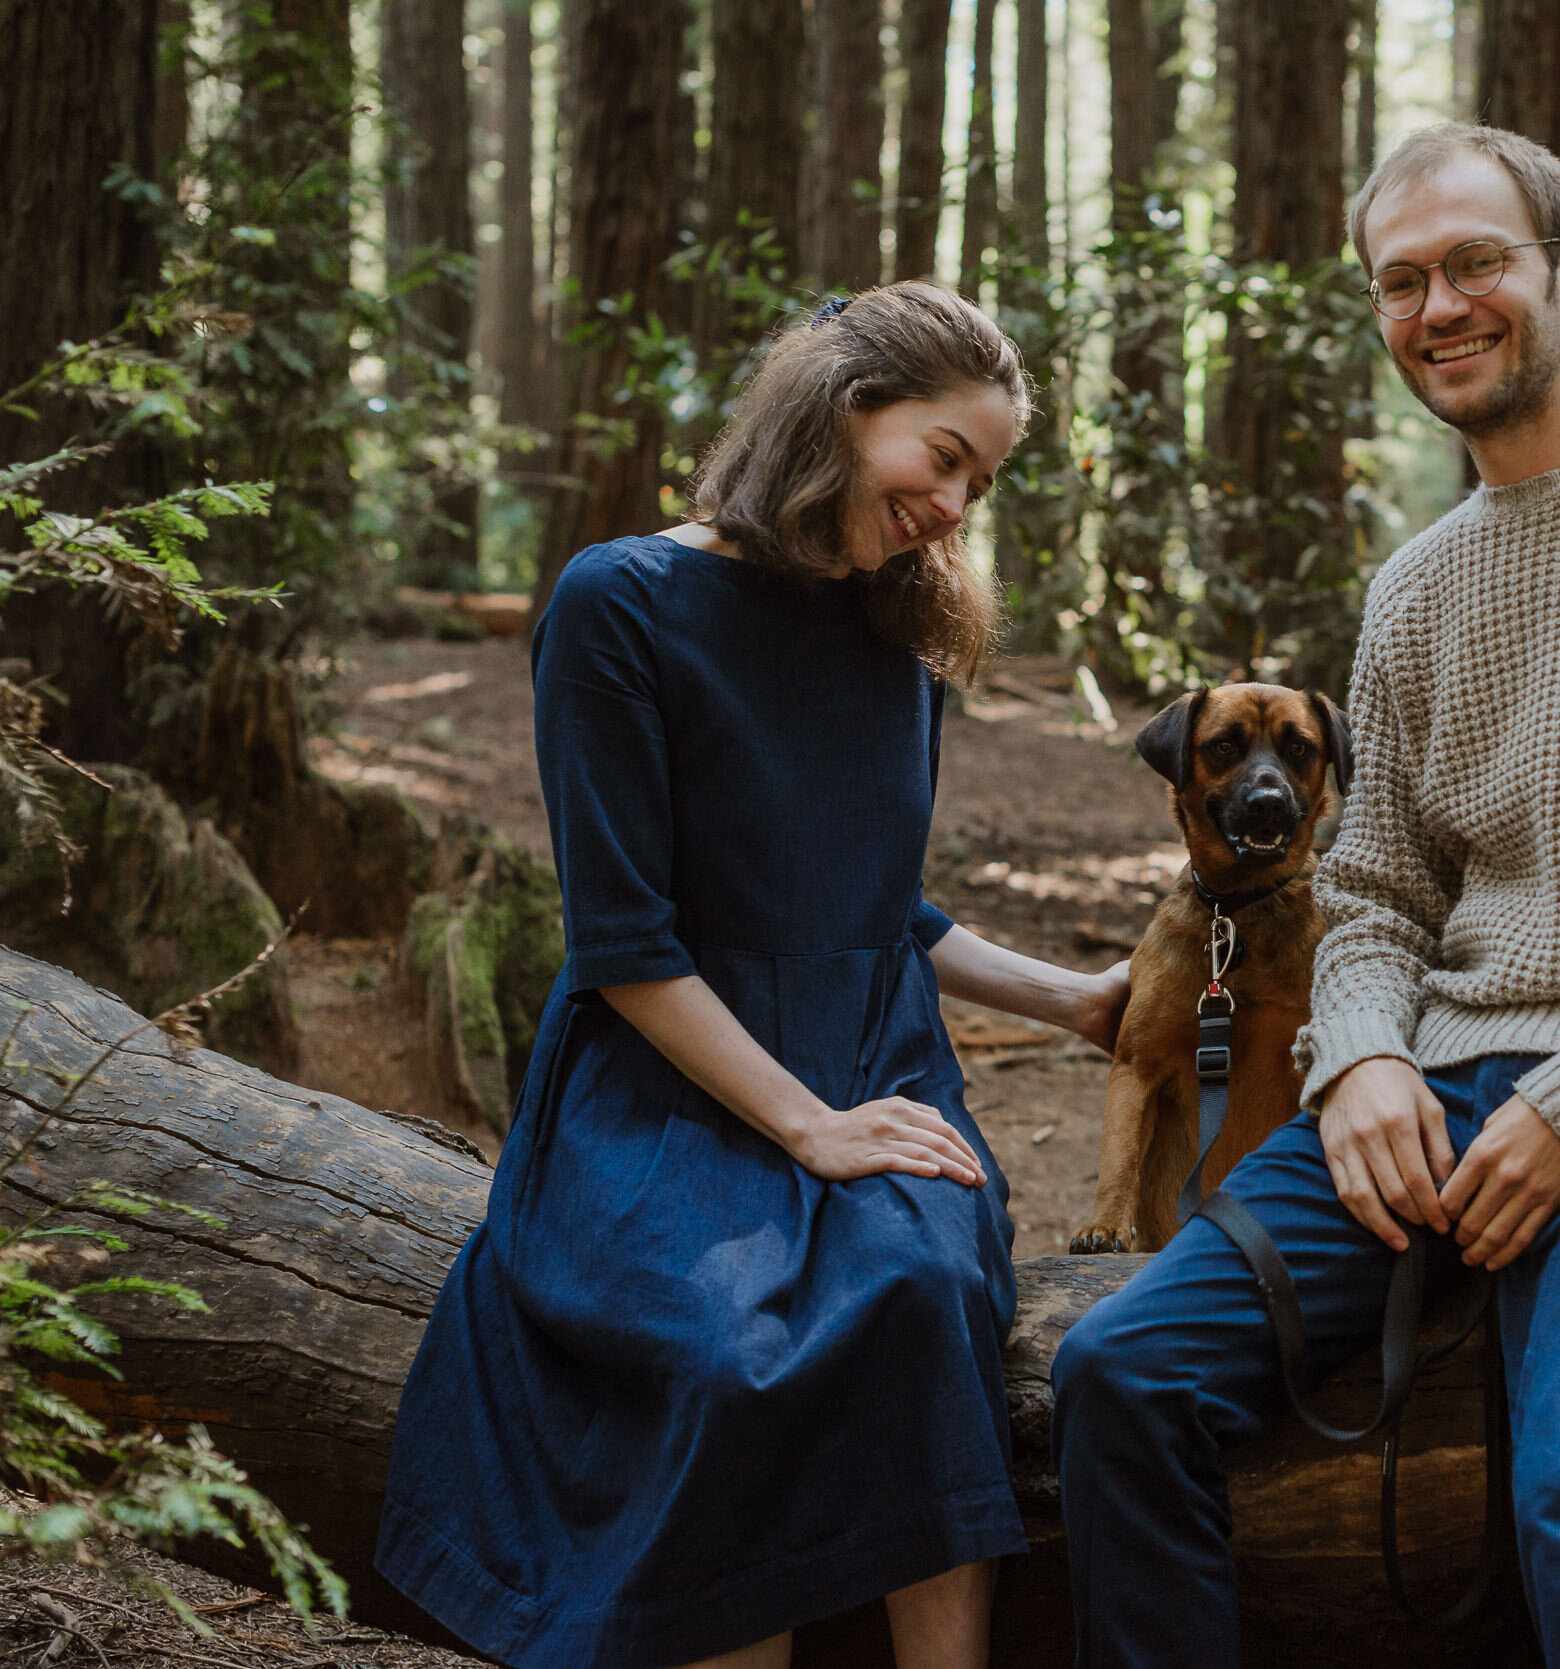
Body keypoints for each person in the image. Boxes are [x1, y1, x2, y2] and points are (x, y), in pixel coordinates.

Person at [1049, 123, 1560, 1666]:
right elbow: (1372, 894)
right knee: (1118, 1370)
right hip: (1427, 1102)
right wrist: (1361, 1056)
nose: (1440, 304)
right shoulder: (1415, 586)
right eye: (1403, 280)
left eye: (1477, 262)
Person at [377, 282, 1128, 1669]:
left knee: (916, 1294)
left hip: (875, 1065)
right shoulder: (619, 603)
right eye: (946, 459)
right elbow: (625, 943)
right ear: (847, 409)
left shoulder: (900, 638)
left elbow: (874, 905)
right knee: (732, 1349)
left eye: (983, 480)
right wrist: (807, 1127)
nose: (959, 506)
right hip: (659, 1093)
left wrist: (1075, 1001)